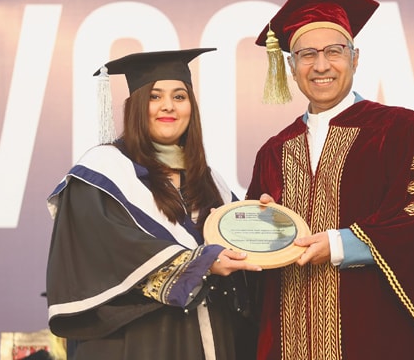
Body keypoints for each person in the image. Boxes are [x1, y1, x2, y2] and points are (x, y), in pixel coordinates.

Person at [245, 0, 414, 359]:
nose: (322, 65)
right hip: (289, 339)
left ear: (355, 58)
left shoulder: (401, 130)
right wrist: (258, 229)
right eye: (306, 54)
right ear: (291, 66)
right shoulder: (274, 151)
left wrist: (342, 244)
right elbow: (257, 259)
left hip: (380, 337)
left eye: (334, 51)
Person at [45, 48, 262, 360]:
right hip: (137, 342)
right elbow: (105, 250)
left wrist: (265, 222)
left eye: (179, 97)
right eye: (155, 97)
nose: (168, 107)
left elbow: (241, 254)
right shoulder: (103, 171)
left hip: (211, 338)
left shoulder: (211, 181)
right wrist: (200, 263)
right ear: (136, 106)